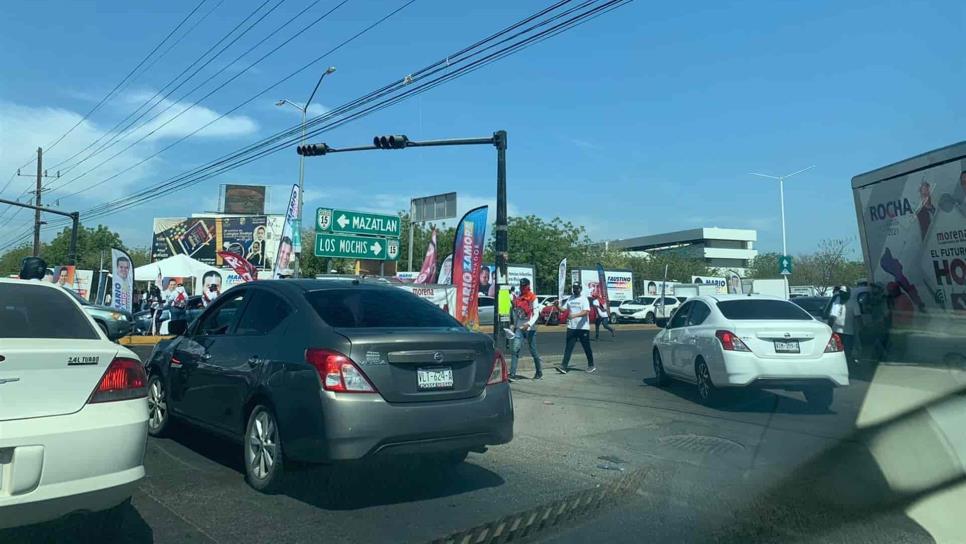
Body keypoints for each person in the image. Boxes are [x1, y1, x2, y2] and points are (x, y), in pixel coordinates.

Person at [555, 284, 596, 374]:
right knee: (568, 347)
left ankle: (591, 365)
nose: (575, 290)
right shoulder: (570, 298)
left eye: (576, 288)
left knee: (586, 347)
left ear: (580, 289)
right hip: (572, 327)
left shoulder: (584, 299)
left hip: (582, 328)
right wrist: (557, 306)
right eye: (573, 288)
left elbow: (586, 312)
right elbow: (564, 310)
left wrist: (574, 315)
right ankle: (564, 366)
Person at [508, 278, 543, 380]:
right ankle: (513, 374)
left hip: (530, 329)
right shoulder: (519, 297)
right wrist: (514, 326)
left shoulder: (533, 298)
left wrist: (529, 324)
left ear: (528, 286)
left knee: (533, 351)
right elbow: (517, 314)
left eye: (524, 286)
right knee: (515, 350)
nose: (522, 287)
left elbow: (536, 314)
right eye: (521, 285)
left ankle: (539, 372)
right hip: (519, 327)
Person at [828, 286, 856, 364]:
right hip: (836, 331)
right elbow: (832, 317)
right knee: (835, 350)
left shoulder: (853, 303)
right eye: (841, 293)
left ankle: (847, 365)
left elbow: (857, 318)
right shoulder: (836, 302)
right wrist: (829, 328)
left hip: (849, 332)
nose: (842, 294)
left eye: (844, 293)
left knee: (847, 352)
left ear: (848, 294)